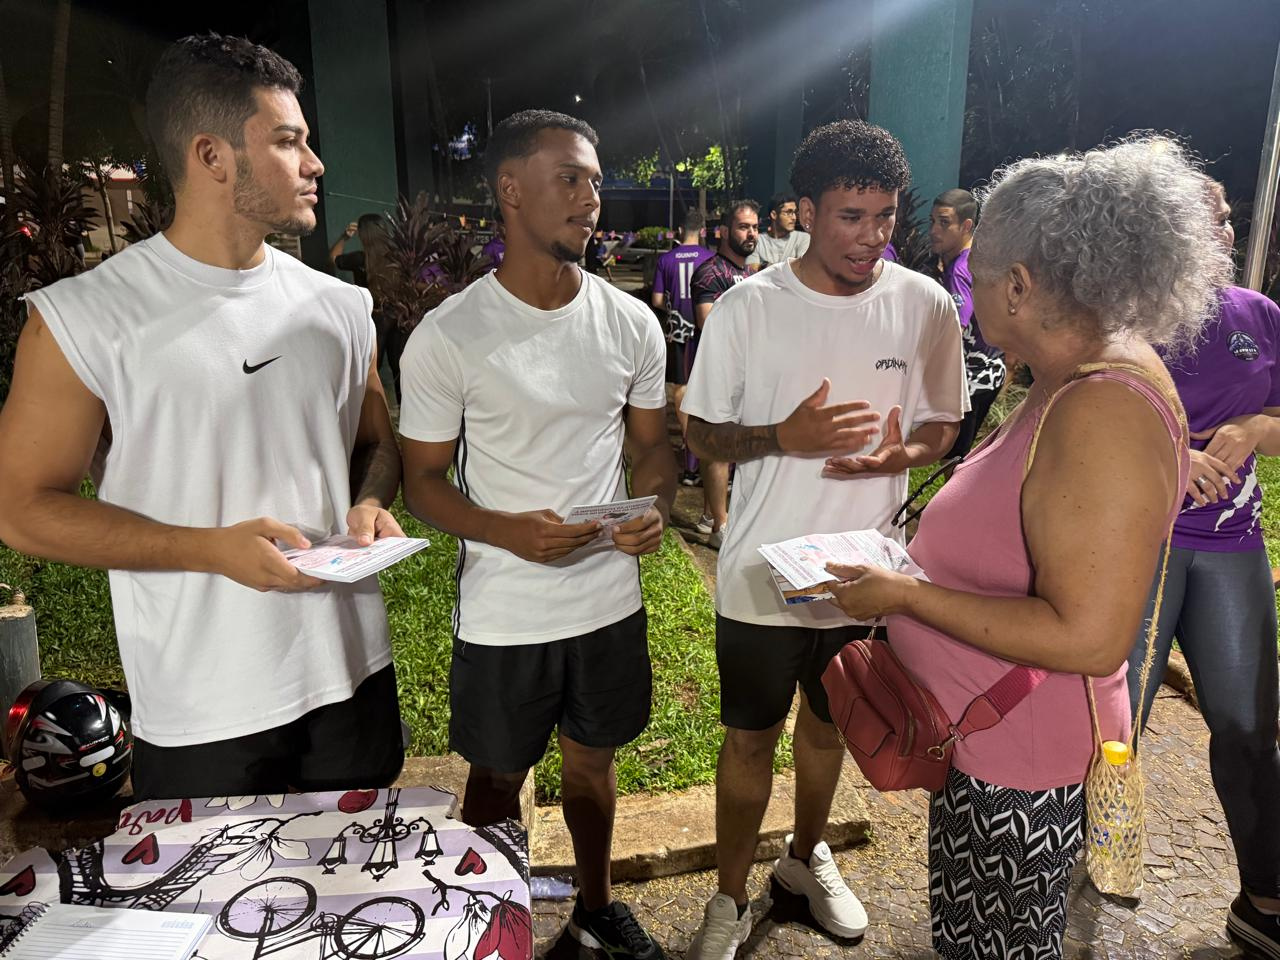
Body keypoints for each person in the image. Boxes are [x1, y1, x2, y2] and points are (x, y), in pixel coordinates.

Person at [824, 136, 1228, 959]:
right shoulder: (1072, 373)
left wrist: (902, 595)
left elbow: (1089, 638)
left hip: (1021, 768)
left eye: (976, 279)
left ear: (1019, 285)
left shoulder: (1101, 410)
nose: (969, 301)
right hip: (995, 743)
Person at [0, 34, 406, 801]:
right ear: (213, 156)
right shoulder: (86, 319)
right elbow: (21, 508)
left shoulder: (340, 306)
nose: (315, 163)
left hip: (353, 680)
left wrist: (369, 501)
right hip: (203, 709)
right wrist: (206, 549)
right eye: (288, 141)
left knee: (362, 880)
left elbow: (375, 442)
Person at [681, 120, 966, 958]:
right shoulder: (748, 307)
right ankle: (729, 897)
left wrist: (902, 454)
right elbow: (699, 431)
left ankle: (805, 861)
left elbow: (942, 424)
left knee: (830, 726)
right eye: (851, 217)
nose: (872, 237)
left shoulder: (924, 304)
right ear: (805, 212)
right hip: (760, 577)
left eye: (886, 217)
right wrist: (783, 437)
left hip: (863, 574)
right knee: (749, 738)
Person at [398, 109, 674, 960]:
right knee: (496, 778)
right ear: (511, 191)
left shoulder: (630, 323)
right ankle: (493, 926)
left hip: (606, 601)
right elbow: (421, 481)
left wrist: (653, 507)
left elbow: (652, 450)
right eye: (570, 179)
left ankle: (594, 908)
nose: (592, 198)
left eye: (595, 180)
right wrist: (503, 531)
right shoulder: (450, 335)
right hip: (505, 610)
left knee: (593, 765)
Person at [1127, 175, 1280, 957]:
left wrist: (1256, 427)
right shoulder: (1118, 315)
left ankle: (1265, 899)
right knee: (1112, 726)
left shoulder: (1260, 316)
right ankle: (1064, 863)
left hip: (1230, 547)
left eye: (1227, 218)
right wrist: (1171, 454)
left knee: (1250, 728)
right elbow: (1062, 414)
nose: (1225, 231)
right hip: (1132, 544)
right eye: (1207, 219)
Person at [690, 200, 760, 550]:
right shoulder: (710, 272)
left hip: (746, 372)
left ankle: (709, 513)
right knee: (717, 448)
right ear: (724, 231)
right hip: (717, 372)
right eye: (744, 227)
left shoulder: (750, 275)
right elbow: (708, 323)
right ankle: (721, 525)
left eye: (755, 228)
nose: (751, 234)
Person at [929, 188, 1006, 457]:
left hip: (971, 381)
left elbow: (956, 329)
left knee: (953, 459)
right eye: (932, 221)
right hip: (992, 372)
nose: (934, 230)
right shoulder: (980, 259)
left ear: (966, 225)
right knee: (958, 456)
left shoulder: (959, 271)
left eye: (944, 223)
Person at [653, 209, 715, 486]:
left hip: (678, 331)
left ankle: (690, 448)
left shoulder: (666, 259)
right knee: (708, 389)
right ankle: (707, 452)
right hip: (706, 331)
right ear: (702, 231)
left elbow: (657, 300)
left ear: (680, 230)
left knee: (681, 388)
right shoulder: (711, 258)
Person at [329, 212, 393, 370]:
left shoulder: (360, 259)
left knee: (370, 369)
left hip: (373, 317)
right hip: (399, 316)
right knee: (400, 369)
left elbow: (334, 258)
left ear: (364, 234)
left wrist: (344, 237)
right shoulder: (398, 257)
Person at [748, 191, 810, 266]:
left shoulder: (803, 238)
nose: (794, 217)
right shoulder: (757, 240)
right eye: (788, 212)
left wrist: (764, 265)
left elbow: (802, 268)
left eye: (794, 212)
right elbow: (752, 269)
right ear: (774, 215)